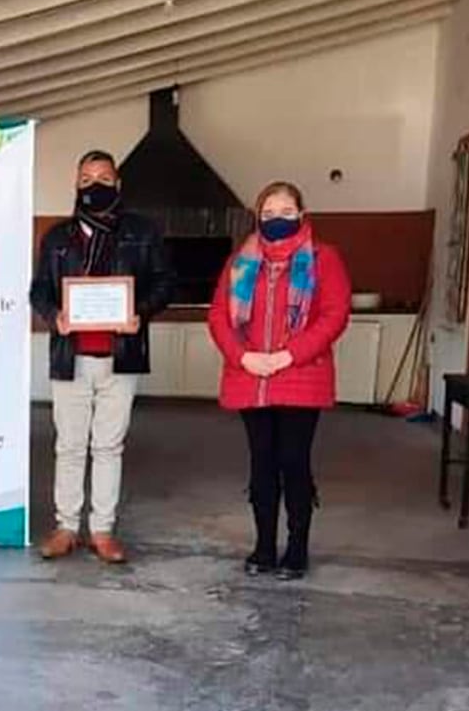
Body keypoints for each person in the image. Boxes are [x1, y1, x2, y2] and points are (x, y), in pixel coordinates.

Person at [29, 150, 175, 564]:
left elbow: (165, 283)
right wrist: (53, 315)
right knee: (70, 445)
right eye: (86, 179)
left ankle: (103, 530)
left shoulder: (143, 232)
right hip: (70, 357)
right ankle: (66, 527)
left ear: (118, 184)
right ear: (75, 185)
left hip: (121, 356)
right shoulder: (58, 238)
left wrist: (140, 312)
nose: (95, 186)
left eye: (104, 178)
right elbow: (39, 289)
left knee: (109, 446)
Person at [207, 181, 351, 581]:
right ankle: (264, 546)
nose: (277, 220)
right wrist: (243, 357)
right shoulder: (240, 260)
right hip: (250, 376)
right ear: (258, 217)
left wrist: (289, 354)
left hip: (301, 375)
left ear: (302, 215)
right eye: (268, 214)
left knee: (293, 461)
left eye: (286, 212)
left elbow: (334, 314)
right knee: (262, 464)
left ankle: (298, 547)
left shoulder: (324, 258)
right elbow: (219, 315)